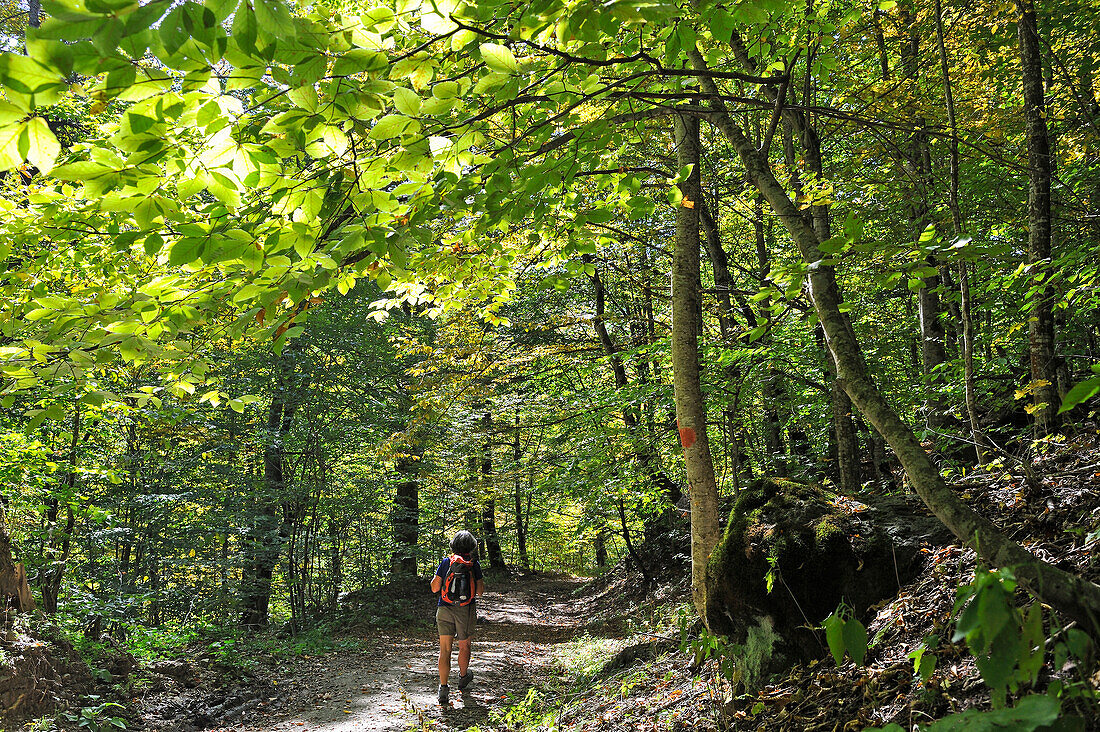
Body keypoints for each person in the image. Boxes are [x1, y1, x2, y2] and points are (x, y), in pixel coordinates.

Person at [430, 530, 485, 705]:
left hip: (444, 609)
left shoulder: (446, 562)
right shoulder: (473, 564)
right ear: (472, 546)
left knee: (445, 650)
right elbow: (479, 592)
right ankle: (463, 678)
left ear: (453, 545)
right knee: (464, 645)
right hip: (465, 610)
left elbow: (434, 588)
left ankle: (444, 688)